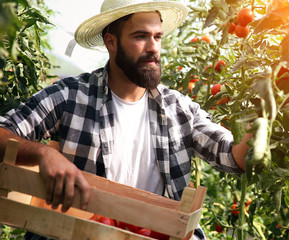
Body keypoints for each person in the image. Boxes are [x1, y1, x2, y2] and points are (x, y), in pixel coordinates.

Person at [0, 0, 253, 239]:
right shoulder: (71, 96)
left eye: (157, 37)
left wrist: (263, 119)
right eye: (140, 36)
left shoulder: (179, 110)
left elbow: (232, 157)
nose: (153, 47)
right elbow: (3, 132)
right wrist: (44, 155)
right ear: (111, 42)